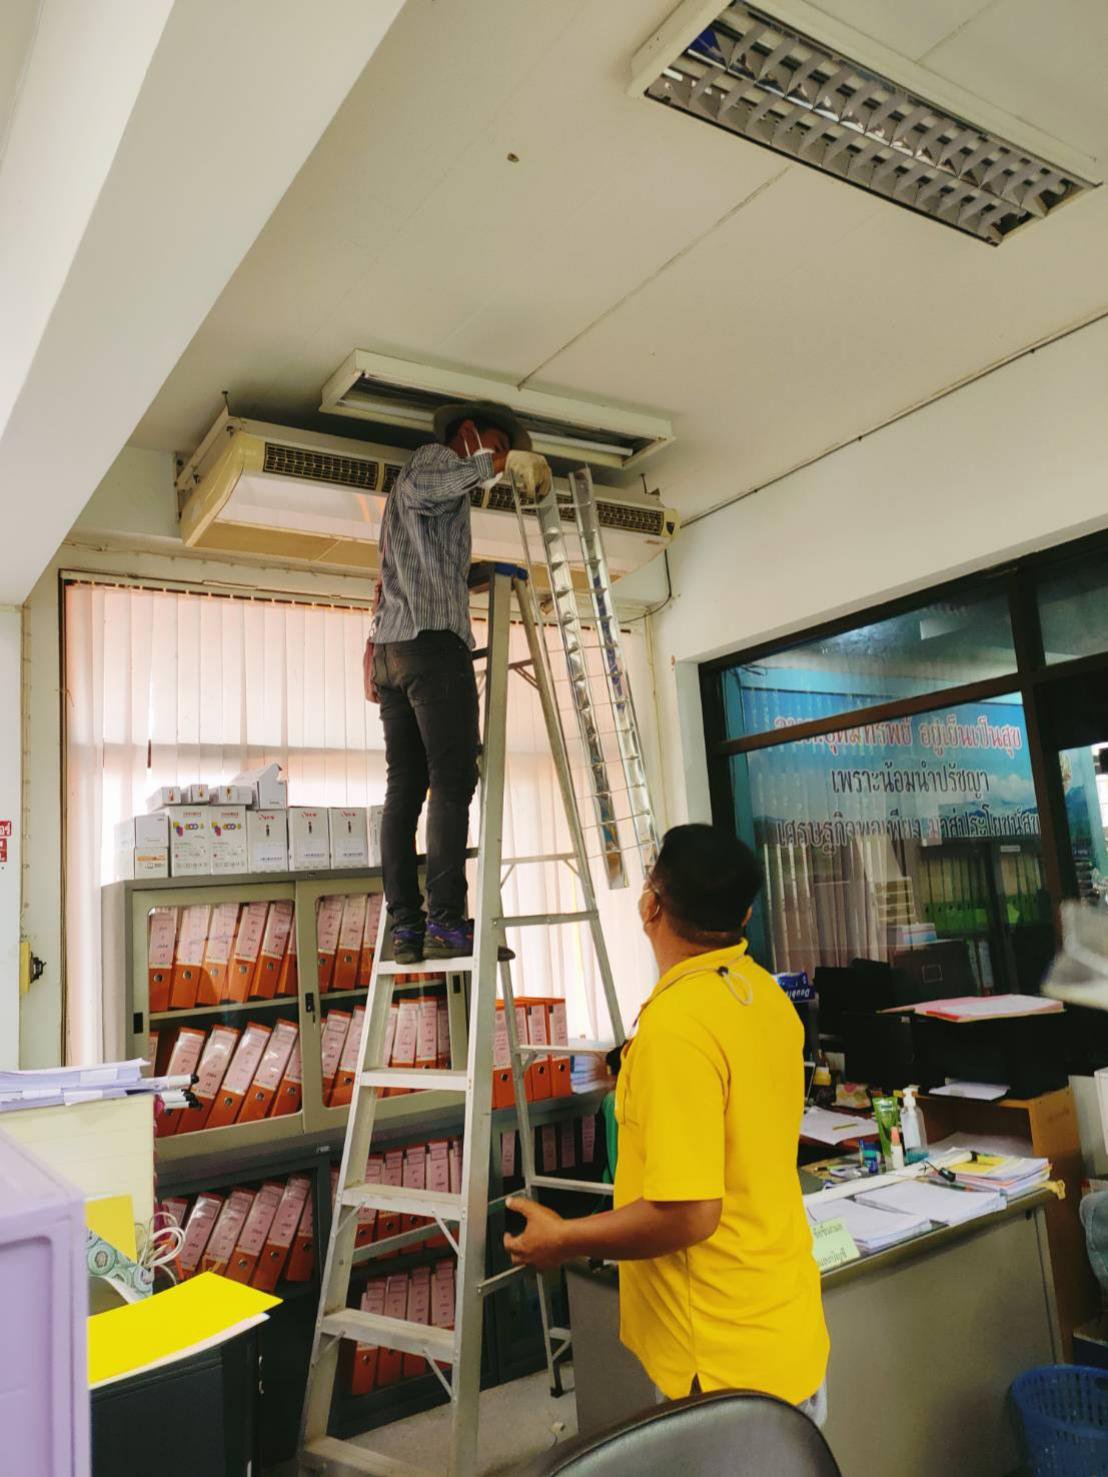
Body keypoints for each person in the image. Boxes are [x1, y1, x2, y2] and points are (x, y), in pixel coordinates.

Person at [503, 823, 830, 1421]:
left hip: (722, 1361)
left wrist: (564, 1240)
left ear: (650, 905)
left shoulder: (679, 1027)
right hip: (781, 1327)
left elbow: (688, 1213)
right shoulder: (763, 996)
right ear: (746, 916)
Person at [368, 399, 550, 964]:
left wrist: (371, 648)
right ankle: (445, 922)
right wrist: (494, 464)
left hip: (395, 648)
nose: (495, 462)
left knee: (406, 788)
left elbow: (391, 575)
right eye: (492, 446)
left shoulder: (440, 500)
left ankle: (407, 927)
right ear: (467, 434)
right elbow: (429, 486)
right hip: (430, 644)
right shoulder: (429, 461)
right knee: (451, 782)